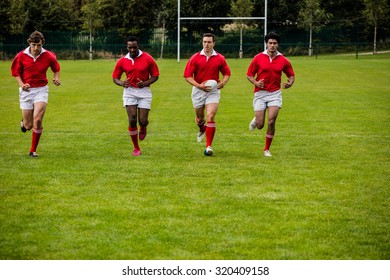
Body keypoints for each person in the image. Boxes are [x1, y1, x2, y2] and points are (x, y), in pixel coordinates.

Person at [11, 31, 61, 158]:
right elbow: (16, 73)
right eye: (34, 45)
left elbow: (56, 69)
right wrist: (22, 84)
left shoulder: (49, 55)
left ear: (42, 43)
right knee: (29, 126)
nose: (36, 48)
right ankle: (24, 122)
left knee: (38, 120)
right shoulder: (21, 56)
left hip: (41, 89)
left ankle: (33, 150)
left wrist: (56, 78)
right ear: (29, 43)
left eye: (38, 45)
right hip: (26, 91)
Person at [247, 32, 295, 157]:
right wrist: (256, 83)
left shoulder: (283, 60)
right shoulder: (258, 58)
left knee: (271, 121)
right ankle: (256, 120)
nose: (272, 45)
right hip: (260, 93)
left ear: (277, 45)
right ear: (266, 44)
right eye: (270, 43)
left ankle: (266, 149)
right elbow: (249, 75)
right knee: (260, 125)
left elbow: (291, 75)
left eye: (274, 43)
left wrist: (290, 83)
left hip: (275, 93)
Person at [183, 33, 231, 156]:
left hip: (213, 91)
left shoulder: (220, 58)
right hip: (198, 90)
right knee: (200, 118)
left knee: (210, 116)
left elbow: (226, 73)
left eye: (209, 42)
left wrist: (223, 83)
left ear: (213, 43)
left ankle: (208, 146)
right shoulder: (195, 58)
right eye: (204, 42)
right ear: (202, 43)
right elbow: (187, 76)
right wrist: (199, 86)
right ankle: (201, 128)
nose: (206, 44)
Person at [112, 35, 159, 156]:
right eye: (130, 47)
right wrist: (122, 83)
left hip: (144, 92)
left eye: (134, 47)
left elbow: (155, 75)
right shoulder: (122, 60)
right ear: (127, 47)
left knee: (142, 121)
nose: (132, 50)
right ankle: (136, 148)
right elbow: (115, 78)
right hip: (129, 92)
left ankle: (143, 127)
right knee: (132, 118)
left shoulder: (148, 58)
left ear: (138, 45)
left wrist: (145, 83)